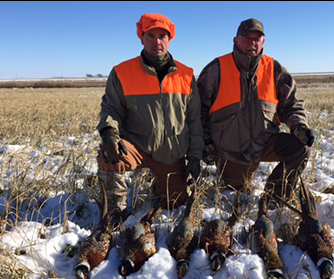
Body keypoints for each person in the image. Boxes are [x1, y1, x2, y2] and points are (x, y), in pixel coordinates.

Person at [96, 13, 203, 226]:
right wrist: (109, 132)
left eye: (163, 36)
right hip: (135, 146)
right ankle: (115, 209)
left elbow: (194, 121)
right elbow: (111, 108)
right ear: (141, 38)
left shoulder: (186, 75)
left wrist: (194, 157)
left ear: (170, 38)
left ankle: (160, 184)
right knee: (108, 154)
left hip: (171, 151)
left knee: (174, 203)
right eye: (151, 36)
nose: (157, 42)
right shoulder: (122, 72)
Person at [197, 18, 314, 207]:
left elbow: (291, 104)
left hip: (264, 142)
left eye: (257, 38)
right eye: (247, 37)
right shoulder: (216, 69)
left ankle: (274, 200)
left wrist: (300, 126)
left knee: (301, 149)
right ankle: (237, 179)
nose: (252, 42)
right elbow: (198, 110)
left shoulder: (274, 69)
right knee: (237, 195)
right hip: (230, 150)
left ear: (263, 42)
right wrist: (206, 142)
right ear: (235, 41)